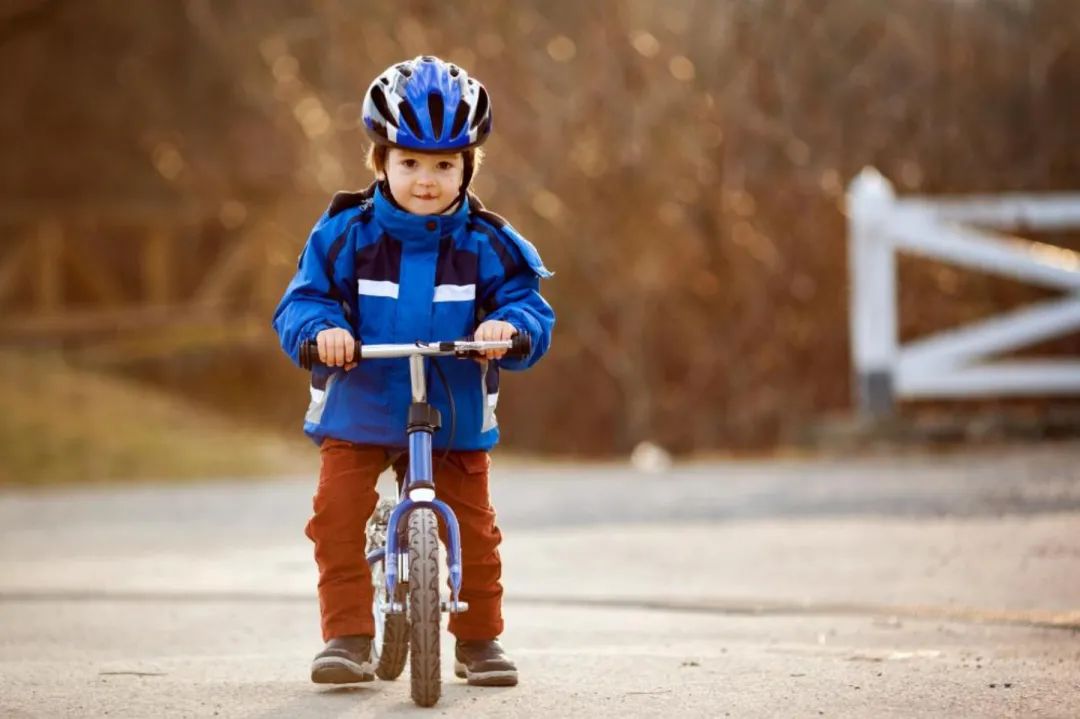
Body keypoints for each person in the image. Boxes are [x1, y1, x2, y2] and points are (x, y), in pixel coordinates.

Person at [272, 55, 555, 688]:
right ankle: (347, 634)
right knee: (336, 514)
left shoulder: (490, 243)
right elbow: (302, 301)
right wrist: (324, 331)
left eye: (444, 165)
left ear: (466, 168)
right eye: (410, 163)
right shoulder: (344, 233)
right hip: (364, 399)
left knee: (474, 528)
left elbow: (527, 304)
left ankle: (479, 639)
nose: (425, 180)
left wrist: (507, 329)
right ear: (381, 162)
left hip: (450, 405)